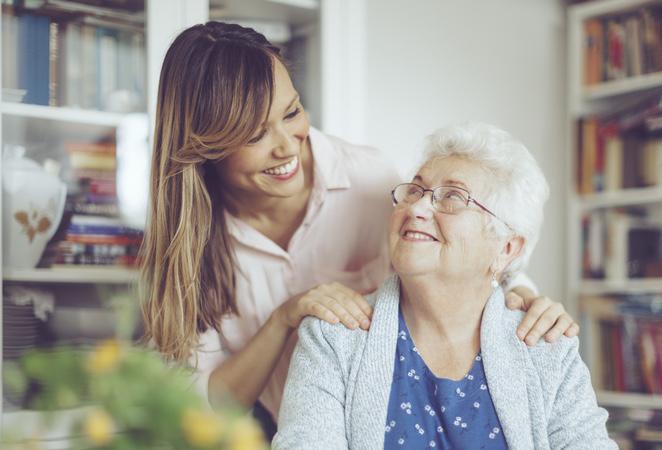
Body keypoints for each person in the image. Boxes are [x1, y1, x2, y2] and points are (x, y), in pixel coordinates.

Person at [139, 22, 579, 426]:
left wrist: (524, 299)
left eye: (291, 113)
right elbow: (209, 402)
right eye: (253, 135)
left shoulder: (369, 182)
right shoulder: (186, 243)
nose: (286, 147)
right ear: (204, 145)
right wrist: (284, 319)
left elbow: (468, 254)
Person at [273, 123, 616, 449]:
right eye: (415, 190)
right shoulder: (332, 338)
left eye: (452, 197)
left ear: (506, 248)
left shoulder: (547, 346)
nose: (417, 207)